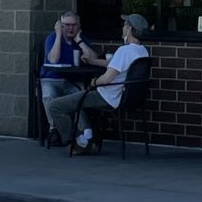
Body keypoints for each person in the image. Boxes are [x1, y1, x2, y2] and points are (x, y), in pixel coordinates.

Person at [44, 13, 149, 156]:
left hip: (107, 97)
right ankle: (87, 136)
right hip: (127, 98)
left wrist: (94, 82)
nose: (123, 28)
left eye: (125, 25)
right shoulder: (142, 51)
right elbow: (115, 64)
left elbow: (106, 79)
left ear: (130, 29)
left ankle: (77, 142)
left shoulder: (124, 50)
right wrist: (94, 62)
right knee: (76, 99)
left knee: (55, 106)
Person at [37, 11, 104, 142]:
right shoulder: (52, 38)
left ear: (79, 26)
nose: (70, 28)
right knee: (49, 96)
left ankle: (85, 135)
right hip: (51, 79)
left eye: (74, 25)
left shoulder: (81, 39)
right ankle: (55, 129)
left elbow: (93, 58)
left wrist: (79, 41)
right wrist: (57, 35)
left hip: (72, 80)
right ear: (60, 25)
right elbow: (53, 60)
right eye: (67, 25)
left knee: (81, 96)